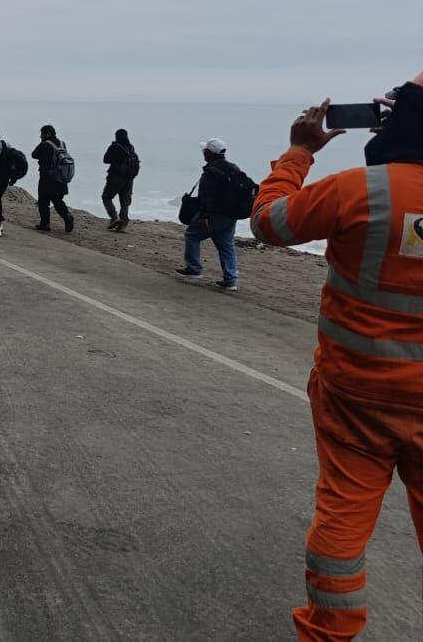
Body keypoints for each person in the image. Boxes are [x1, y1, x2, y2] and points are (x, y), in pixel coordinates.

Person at [249, 83, 423, 640]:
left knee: (343, 520)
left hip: (355, 394)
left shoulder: (360, 191)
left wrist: (300, 152)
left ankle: (329, 631)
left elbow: (270, 223)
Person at [174, 137, 243, 291]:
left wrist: (204, 215)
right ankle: (230, 280)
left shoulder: (211, 171)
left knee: (192, 235)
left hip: (214, 213)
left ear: (209, 153)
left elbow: (207, 196)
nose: (203, 153)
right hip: (231, 214)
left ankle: (194, 269)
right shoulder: (234, 169)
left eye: (205, 151)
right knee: (227, 246)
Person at [31, 125, 74, 233]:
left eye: (42, 134)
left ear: (47, 134)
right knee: (57, 200)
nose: (40, 136)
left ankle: (45, 223)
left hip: (47, 178)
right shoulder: (62, 143)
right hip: (61, 177)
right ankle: (67, 216)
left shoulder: (45, 144)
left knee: (43, 201)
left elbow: (34, 155)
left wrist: (41, 143)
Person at [102, 129, 140, 232]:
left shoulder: (115, 147)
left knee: (106, 197)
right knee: (124, 201)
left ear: (117, 136)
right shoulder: (131, 148)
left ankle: (114, 217)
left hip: (115, 177)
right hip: (129, 179)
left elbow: (105, 160)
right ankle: (123, 223)